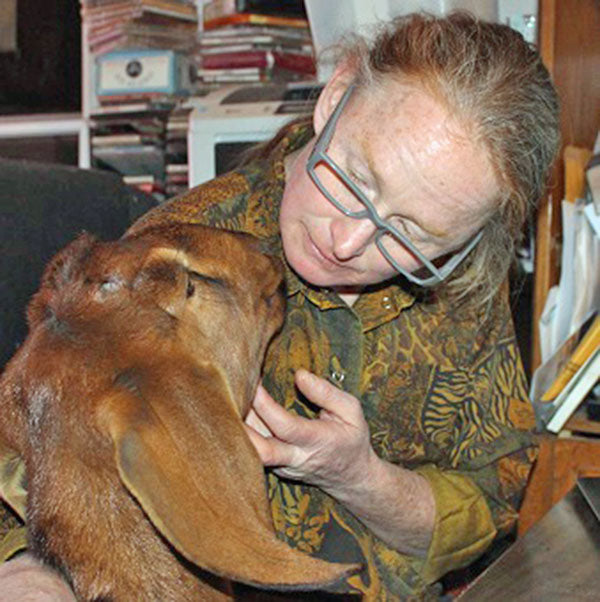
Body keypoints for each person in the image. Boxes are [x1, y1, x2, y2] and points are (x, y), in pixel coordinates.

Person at [0, 11, 560, 601]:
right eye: (352, 180)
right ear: (335, 95)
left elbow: (494, 496)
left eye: (410, 236)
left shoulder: (460, 278)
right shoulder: (171, 275)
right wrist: (33, 573)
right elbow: (35, 465)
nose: (346, 243)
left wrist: (361, 478)